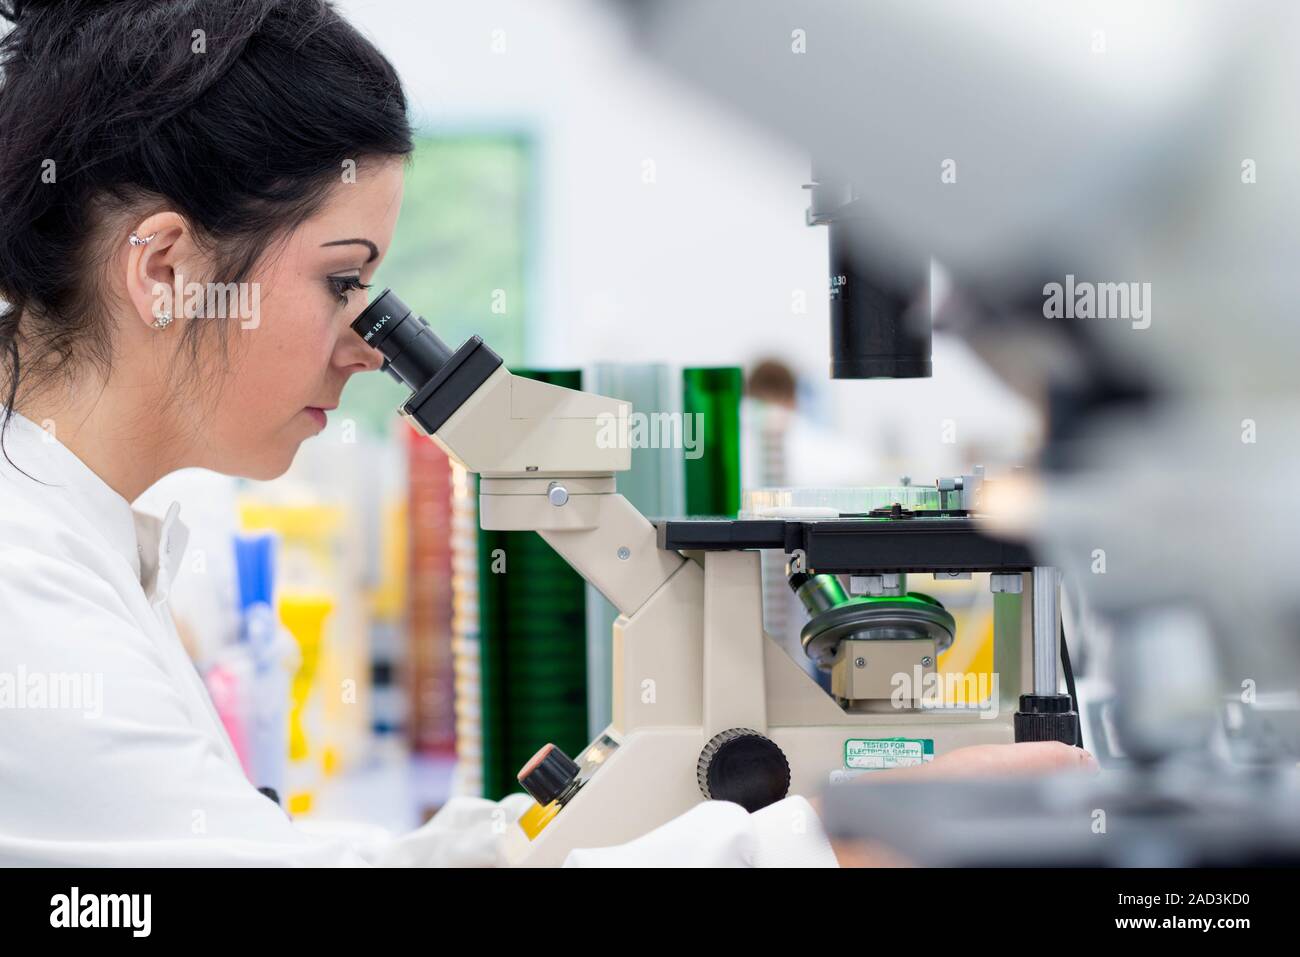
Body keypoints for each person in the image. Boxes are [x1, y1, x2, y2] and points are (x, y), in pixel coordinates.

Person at [0, 0, 1094, 867]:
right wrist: (834, 846)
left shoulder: (88, 542)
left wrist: (509, 846)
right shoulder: (24, 598)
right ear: (165, 269)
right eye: (344, 284)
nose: (372, 344)